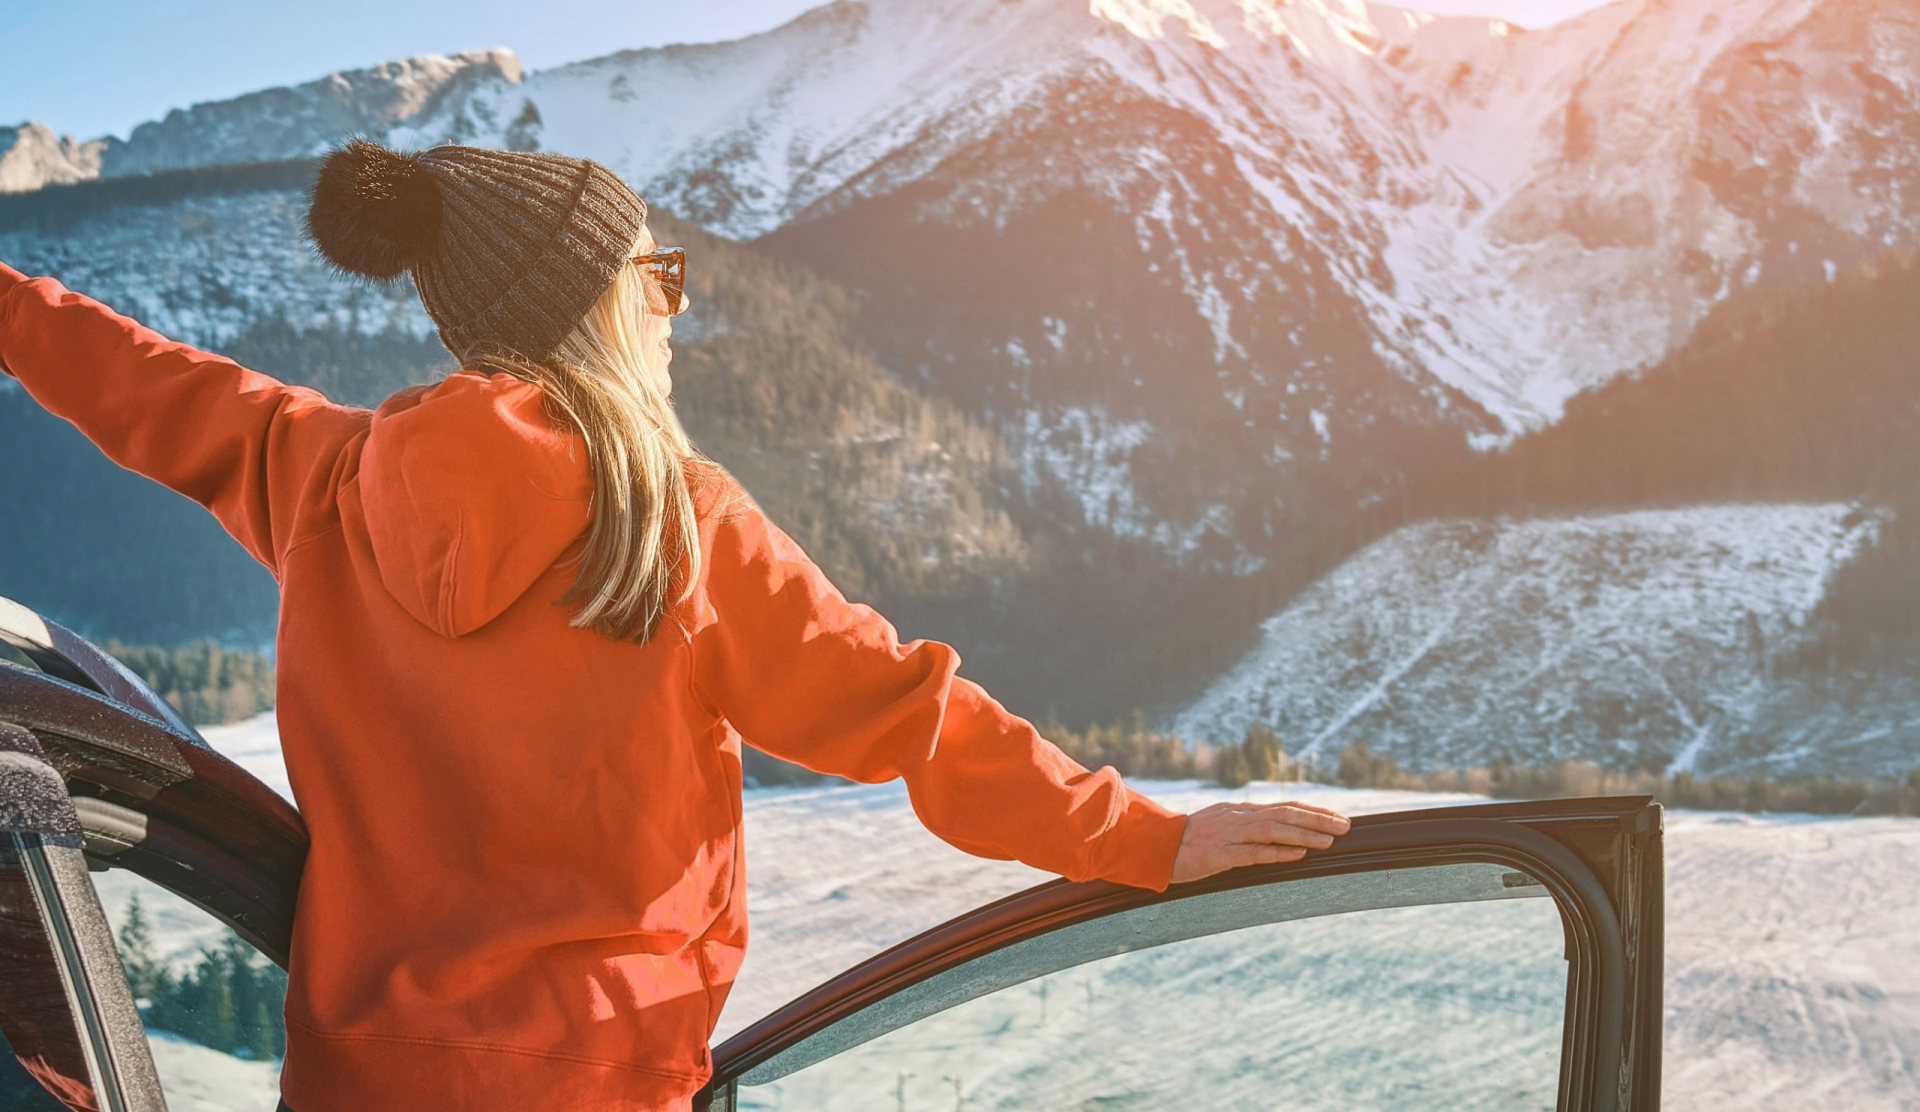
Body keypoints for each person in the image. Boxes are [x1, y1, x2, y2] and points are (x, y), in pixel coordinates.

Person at [0, 140, 1350, 1111]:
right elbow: (912, 716)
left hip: (361, 1083)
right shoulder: (677, 522)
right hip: (608, 1076)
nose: (677, 305)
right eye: (665, 274)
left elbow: (132, 377)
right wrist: (1151, 838)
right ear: (600, 299)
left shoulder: (319, 480)